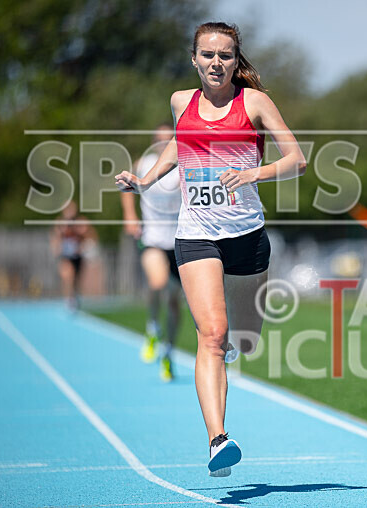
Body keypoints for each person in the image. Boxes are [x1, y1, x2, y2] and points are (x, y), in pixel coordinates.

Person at [115, 21, 306, 478]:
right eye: (207, 55)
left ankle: (231, 347)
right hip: (196, 232)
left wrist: (252, 175)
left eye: (225, 55)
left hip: (247, 235)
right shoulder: (182, 101)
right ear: (194, 59)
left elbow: (297, 159)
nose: (216, 63)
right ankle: (218, 439)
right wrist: (146, 180)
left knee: (245, 339)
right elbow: (180, 147)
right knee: (212, 335)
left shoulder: (254, 103)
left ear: (235, 60)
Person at [120, 124, 183, 381]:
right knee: (157, 283)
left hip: (180, 241)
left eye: (168, 139)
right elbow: (127, 187)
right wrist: (130, 215)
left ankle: (168, 352)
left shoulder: (184, 164)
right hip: (152, 238)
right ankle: (153, 326)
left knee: (175, 303)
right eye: (158, 139)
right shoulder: (143, 163)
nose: (162, 143)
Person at [51, 201, 97, 310]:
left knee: (77, 279)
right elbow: (55, 238)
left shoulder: (81, 222)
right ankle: (68, 299)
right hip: (66, 256)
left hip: (78, 256)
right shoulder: (60, 223)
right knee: (68, 276)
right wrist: (56, 249)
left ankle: (75, 296)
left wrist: (86, 245)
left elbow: (91, 235)